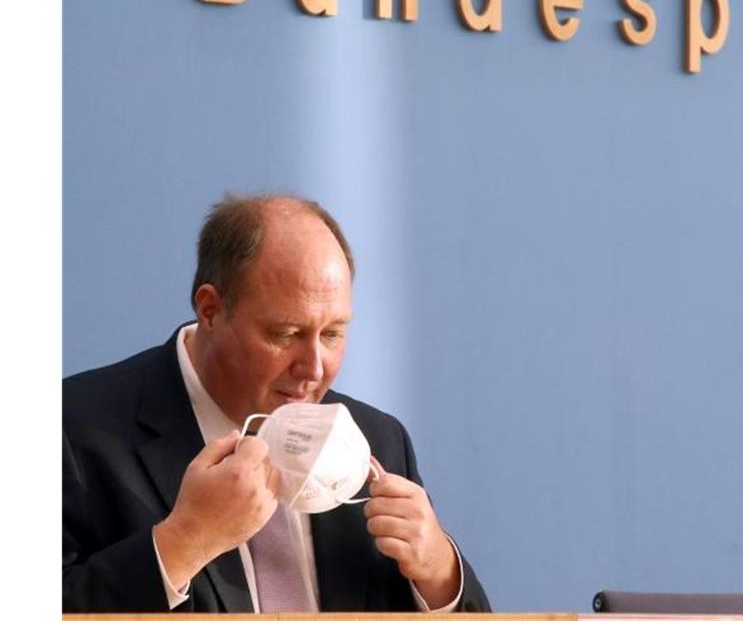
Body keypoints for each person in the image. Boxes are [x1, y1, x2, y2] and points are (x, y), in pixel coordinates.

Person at [63, 194, 491, 613]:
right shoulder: (69, 427)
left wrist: (439, 574)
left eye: (332, 334)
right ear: (210, 310)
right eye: (286, 334)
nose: (314, 368)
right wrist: (185, 540)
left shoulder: (380, 438)